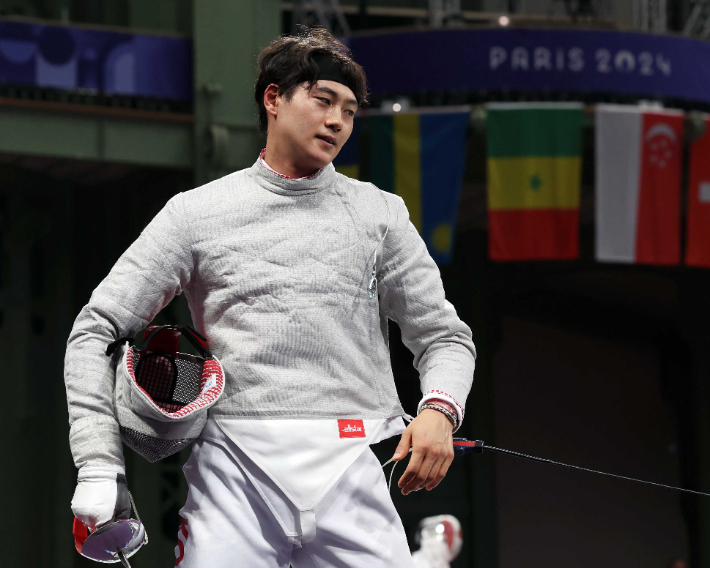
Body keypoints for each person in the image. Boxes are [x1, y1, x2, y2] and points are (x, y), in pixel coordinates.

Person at [65, 25, 476, 567]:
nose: (337, 120)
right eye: (323, 99)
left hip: (351, 465)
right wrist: (98, 464)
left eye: (350, 110)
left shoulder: (379, 214)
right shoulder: (197, 213)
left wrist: (440, 410)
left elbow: (444, 336)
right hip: (233, 473)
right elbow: (95, 329)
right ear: (274, 98)